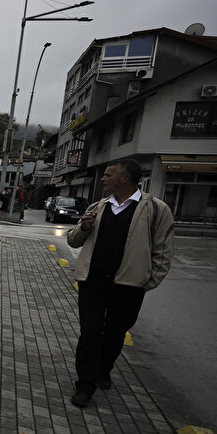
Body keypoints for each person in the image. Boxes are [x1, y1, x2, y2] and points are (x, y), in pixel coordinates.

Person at [66, 158, 175, 407]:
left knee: (115, 334)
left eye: (108, 175)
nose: (103, 179)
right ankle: (85, 385)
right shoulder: (98, 206)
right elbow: (73, 240)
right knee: (90, 334)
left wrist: (147, 282)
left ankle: (103, 369)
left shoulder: (156, 209)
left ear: (124, 178)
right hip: (92, 283)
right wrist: (84, 227)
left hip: (129, 286)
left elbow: (163, 251)